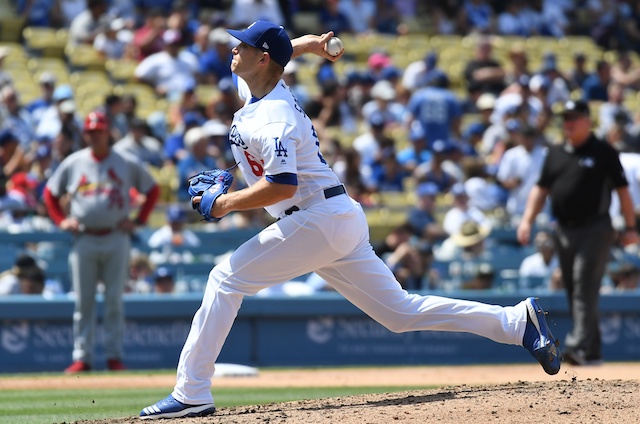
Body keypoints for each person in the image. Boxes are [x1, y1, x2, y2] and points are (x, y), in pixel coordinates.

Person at [140, 21, 561, 420]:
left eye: (244, 45)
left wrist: (225, 204)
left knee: (224, 279)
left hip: (314, 217)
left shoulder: (275, 119)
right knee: (399, 313)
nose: (234, 49)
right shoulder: (258, 84)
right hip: (332, 216)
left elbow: (283, 186)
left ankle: (191, 392)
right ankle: (516, 322)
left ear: (264, 59)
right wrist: (312, 45)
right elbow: (288, 52)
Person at [517, 99, 639, 367]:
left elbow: (622, 190)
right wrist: (527, 220)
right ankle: (592, 352)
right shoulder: (557, 152)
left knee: (584, 285)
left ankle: (577, 345)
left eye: (573, 118)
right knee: (574, 290)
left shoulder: (603, 151)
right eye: (564, 118)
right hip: (564, 230)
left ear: (587, 120)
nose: (568, 123)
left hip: (595, 228)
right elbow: (541, 189)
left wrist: (630, 227)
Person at [43, 111, 159, 373]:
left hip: (116, 236)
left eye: (100, 131)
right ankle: (82, 357)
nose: (96, 136)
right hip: (84, 236)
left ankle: (113, 356)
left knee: (114, 301)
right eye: (91, 131)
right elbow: (50, 194)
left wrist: (139, 220)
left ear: (108, 132)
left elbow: (152, 190)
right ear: (85, 134)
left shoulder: (125, 161)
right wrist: (62, 220)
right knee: (83, 302)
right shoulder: (74, 162)